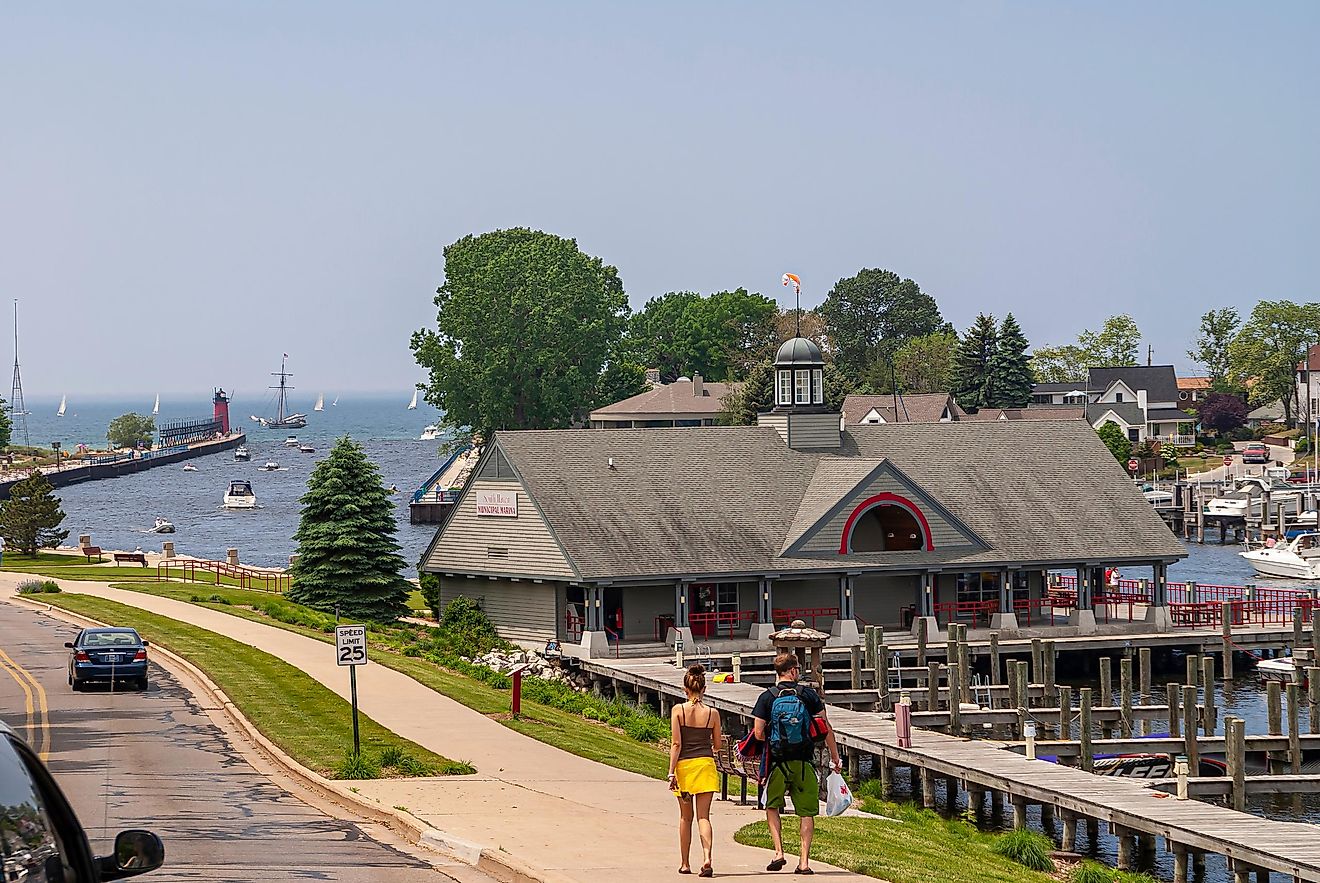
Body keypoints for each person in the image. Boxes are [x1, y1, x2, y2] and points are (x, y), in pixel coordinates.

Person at [753, 653, 842, 875]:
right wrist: (834, 756)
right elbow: (825, 727)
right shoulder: (808, 695)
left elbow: (757, 733)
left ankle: (779, 852)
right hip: (803, 763)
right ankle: (804, 862)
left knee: (772, 806)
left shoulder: (767, 697)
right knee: (806, 812)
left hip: (777, 764)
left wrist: (775, 739)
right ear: (793, 671)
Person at [667, 663, 722, 877]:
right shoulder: (713, 714)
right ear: (704, 689)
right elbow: (717, 745)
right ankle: (707, 857)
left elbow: (676, 744)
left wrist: (671, 772)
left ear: (685, 689)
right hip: (706, 766)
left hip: (684, 768)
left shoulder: (678, 710)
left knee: (685, 818)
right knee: (704, 817)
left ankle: (685, 863)